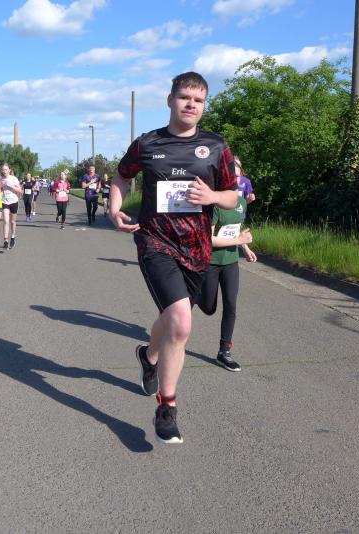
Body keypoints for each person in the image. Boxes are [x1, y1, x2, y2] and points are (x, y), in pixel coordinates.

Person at [109, 71, 238, 444]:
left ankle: (149, 356)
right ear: (170, 100)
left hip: (197, 249)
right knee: (181, 323)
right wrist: (115, 209)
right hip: (155, 242)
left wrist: (212, 197)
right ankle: (166, 408)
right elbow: (121, 177)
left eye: (198, 101)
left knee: (171, 320)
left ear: (204, 105)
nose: (191, 105)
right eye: (184, 98)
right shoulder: (147, 144)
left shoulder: (216, 146)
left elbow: (232, 194)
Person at [196, 195, 257, 372]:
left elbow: (236, 229)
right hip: (211, 262)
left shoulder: (241, 202)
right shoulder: (215, 204)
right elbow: (208, 238)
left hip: (231, 262)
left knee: (231, 305)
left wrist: (245, 247)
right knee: (209, 308)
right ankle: (195, 293)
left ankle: (224, 351)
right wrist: (239, 241)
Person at [0, 162, 22, 250]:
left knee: (12, 221)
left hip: (14, 201)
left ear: (9, 170)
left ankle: (13, 237)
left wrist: (12, 186)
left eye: (6, 169)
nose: (4, 171)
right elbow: (0, 188)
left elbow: (20, 190)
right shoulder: (1, 179)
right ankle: (5, 240)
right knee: (6, 221)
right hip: (5, 201)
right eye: (3, 170)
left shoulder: (14, 179)